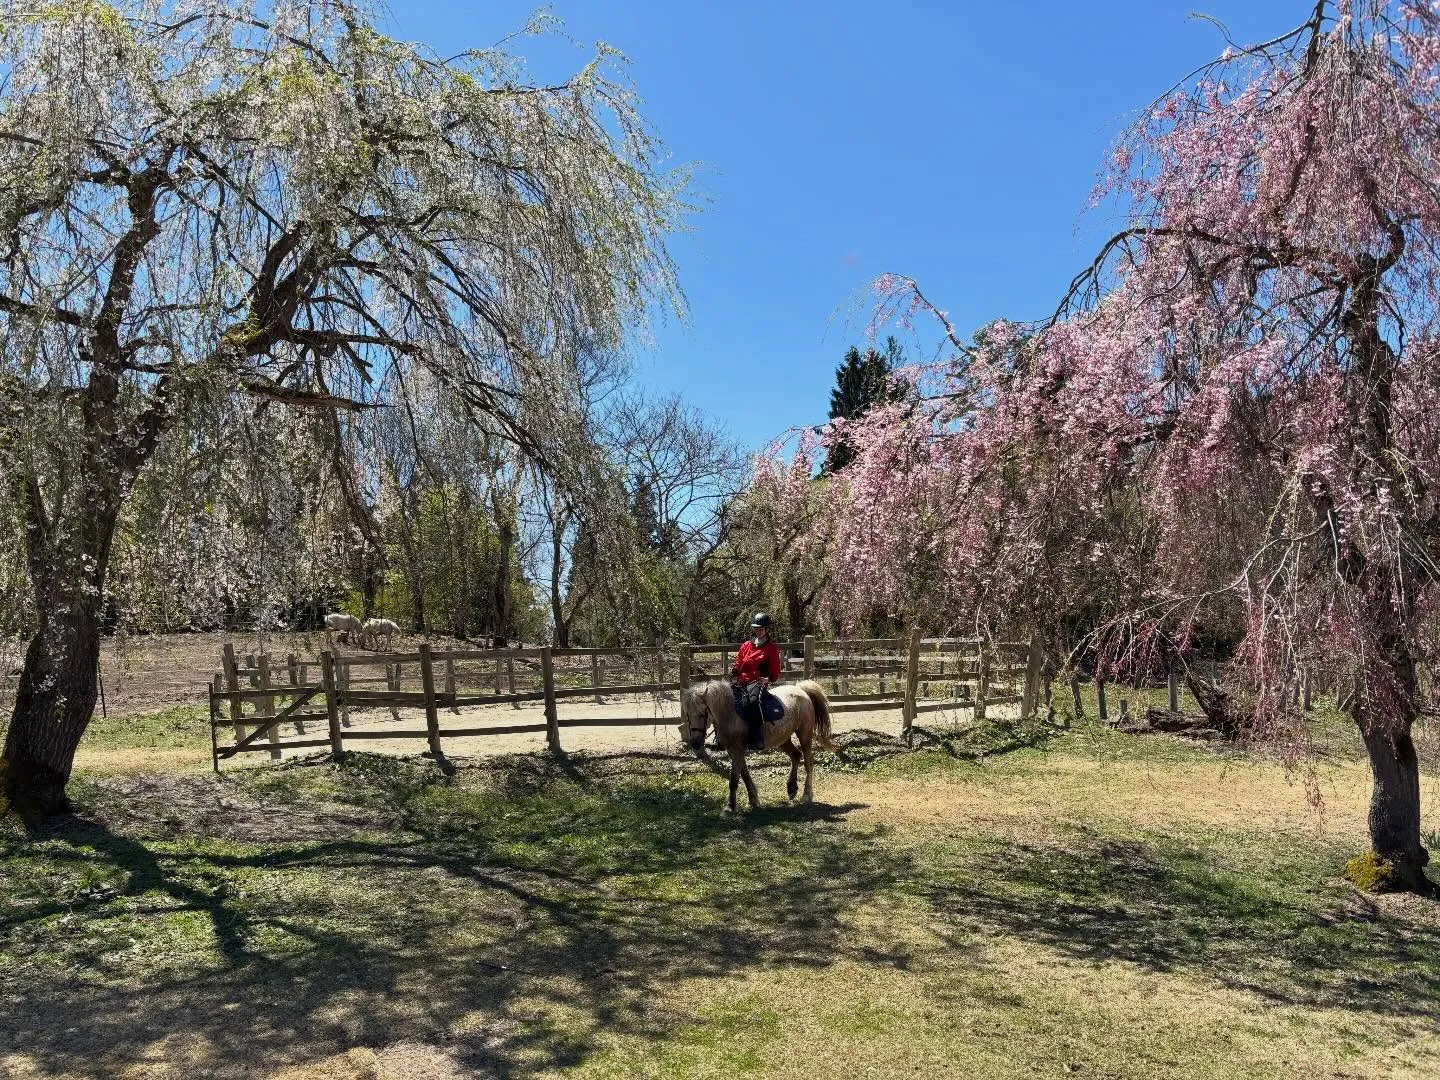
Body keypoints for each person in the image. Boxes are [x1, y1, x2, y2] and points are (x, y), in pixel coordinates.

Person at [731, 613, 782, 751]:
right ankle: (722, 737)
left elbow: (775, 670)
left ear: (766, 630)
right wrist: (735, 669)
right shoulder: (746, 645)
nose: (759, 631)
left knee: (752, 702)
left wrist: (768, 679)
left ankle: (758, 737)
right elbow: (739, 660)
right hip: (742, 681)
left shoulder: (771, 649)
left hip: (757, 682)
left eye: (761, 629)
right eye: (756, 629)